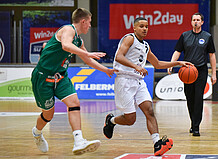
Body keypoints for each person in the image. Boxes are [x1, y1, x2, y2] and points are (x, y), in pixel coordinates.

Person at [31, 8, 116, 155]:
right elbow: (66, 45)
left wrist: (106, 70)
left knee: (74, 103)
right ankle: (37, 133)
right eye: (89, 23)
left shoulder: (79, 40)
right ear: (83, 21)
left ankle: (79, 140)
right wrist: (87, 52)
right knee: (48, 115)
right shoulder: (68, 29)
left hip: (61, 77)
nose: (90, 26)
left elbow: (87, 60)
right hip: (43, 77)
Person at [103, 17, 192, 156]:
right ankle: (111, 121)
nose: (145, 29)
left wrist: (178, 63)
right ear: (134, 28)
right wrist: (136, 66)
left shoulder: (146, 46)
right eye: (141, 26)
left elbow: (157, 64)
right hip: (125, 80)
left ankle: (157, 144)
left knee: (149, 111)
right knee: (130, 119)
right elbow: (119, 57)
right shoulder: (129, 38)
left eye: (147, 27)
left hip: (138, 81)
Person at [167, 12, 217, 136]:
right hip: (187, 70)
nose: (196, 21)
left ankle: (196, 127)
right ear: (191, 22)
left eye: (198, 19)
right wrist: (171, 64)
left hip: (201, 71)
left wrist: (214, 73)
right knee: (189, 98)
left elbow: (212, 55)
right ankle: (193, 122)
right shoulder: (184, 36)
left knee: (198, 98)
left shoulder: (207, 36)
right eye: (194, 19)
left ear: (202, 22)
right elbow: (177, 52)